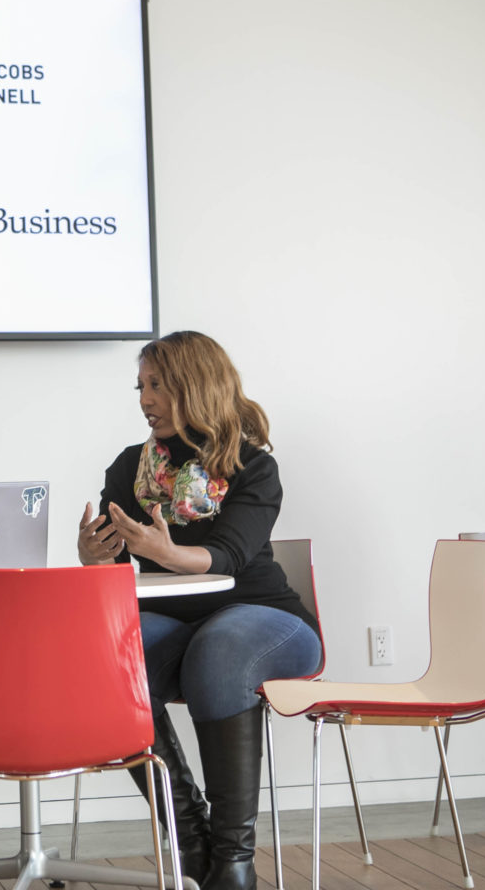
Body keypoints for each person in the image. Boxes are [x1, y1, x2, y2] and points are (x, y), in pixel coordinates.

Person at [77, 330, 320, 890]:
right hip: (175, 621)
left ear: (196, 385)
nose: (144, 399)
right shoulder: (131, 468)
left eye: (157, 385)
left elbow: (230, 557)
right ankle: (188, 835)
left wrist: (165, 552)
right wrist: (97, 558)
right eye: (140, 386)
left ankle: (234, 861)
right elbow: (117, 586)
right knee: (106, 648)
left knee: (222, 647)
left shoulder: (252, 467)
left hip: (266, 620)